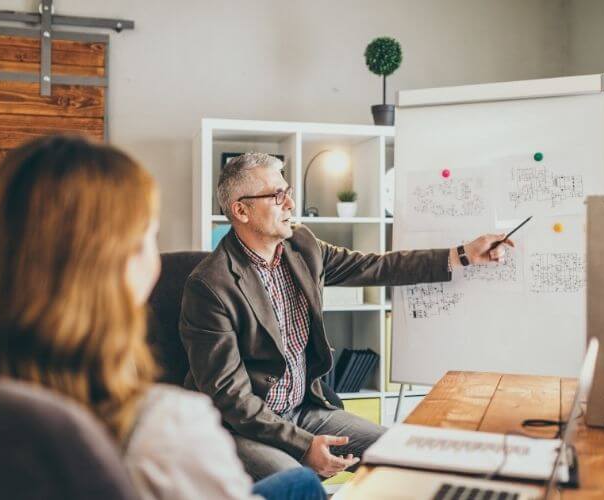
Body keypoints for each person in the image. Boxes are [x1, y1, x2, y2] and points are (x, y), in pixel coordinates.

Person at [0, 137, 324, 500]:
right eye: (151, 235)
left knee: (299, 483)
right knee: (302, 486)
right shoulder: (165, 427)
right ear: (122, 266)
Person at [180, 152, 513, 480]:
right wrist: (303, 445)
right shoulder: (210, 286)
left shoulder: (301, 245)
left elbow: (376, 266)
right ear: (241, 210)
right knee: (297, 483)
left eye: (288, 192)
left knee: (401, 454)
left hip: (304, 410)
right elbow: (231, 397)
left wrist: (462, 255)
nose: (290, 205)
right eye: (277, 195)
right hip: (240, 428)